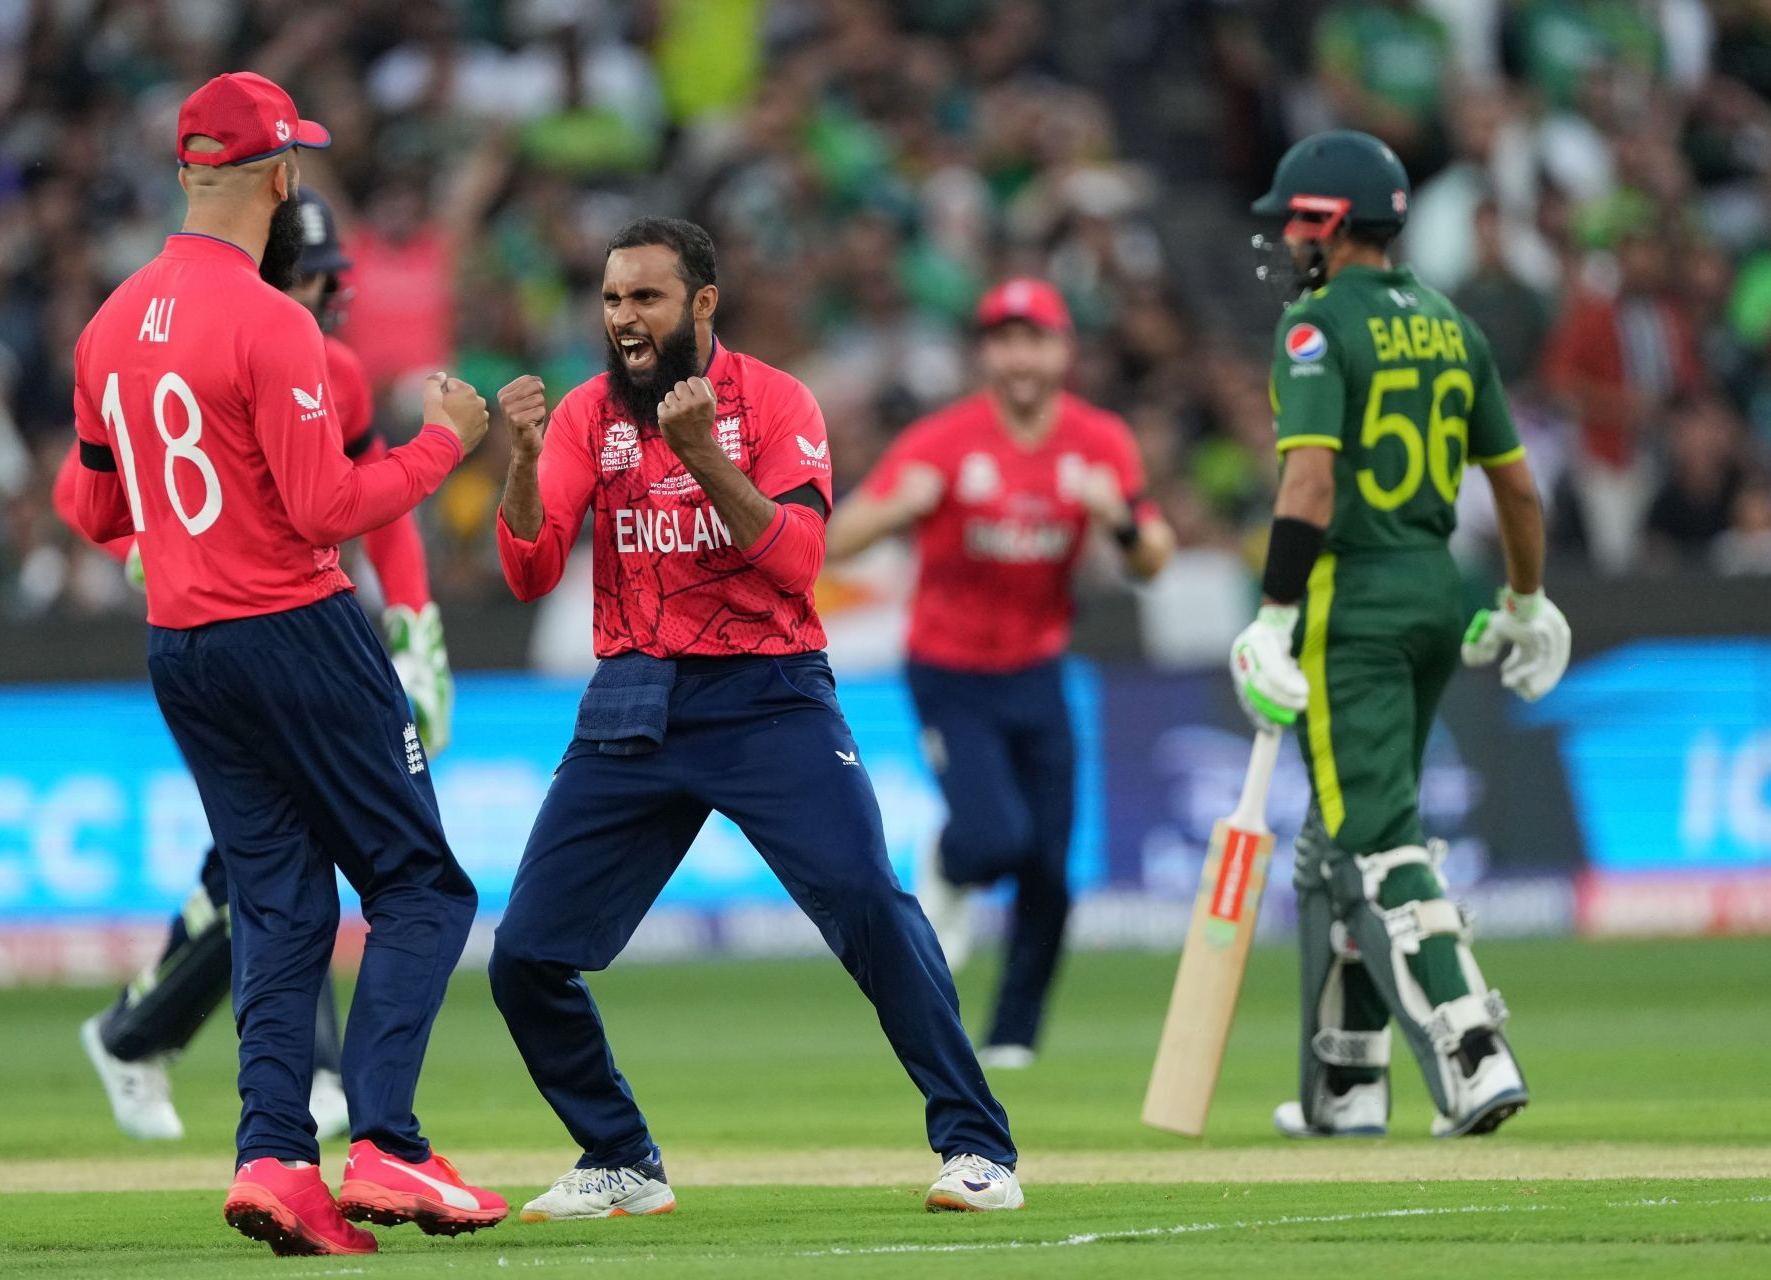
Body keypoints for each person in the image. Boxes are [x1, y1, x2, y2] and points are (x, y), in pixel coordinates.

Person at [489, 216, 1022, 1219]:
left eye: (644, 298)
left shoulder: (776, 402)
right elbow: (527, 568)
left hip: (767, 693)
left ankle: (976, 1144)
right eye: (610, 300)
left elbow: (798, 563)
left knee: (869, 901)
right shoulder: (586, 415)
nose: (623, 321)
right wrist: (519, 460)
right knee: (523, 955)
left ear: (701, 302)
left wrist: (700, 456)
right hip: (634, 694)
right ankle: (619, 1155)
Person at [71, 72, 503, 1255]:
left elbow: (90, 500)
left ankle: (272, 1156)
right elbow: (325, 506)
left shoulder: (109, 323)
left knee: (276, 902)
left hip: (185, 646)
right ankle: (389, 1146)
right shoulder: (275, 323)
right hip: (294, 628)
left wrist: (176, 533)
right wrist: (442, 447)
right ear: (283, 175)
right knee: (421, 885)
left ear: (185, 173)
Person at [1235, 129, 1571, 1140]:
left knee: (1376, 838)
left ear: (1333, 224)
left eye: (1296, 219)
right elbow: (1514, 481)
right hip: (1436, 586)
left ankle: (1473, 1049)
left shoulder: (1314, 327)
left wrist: (1273, 616)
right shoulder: (1451, 324)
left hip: (1353, 602)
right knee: (1333, 839)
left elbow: (1308, 480)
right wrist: (1524, 597)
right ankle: (1344, 1086)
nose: (1284, 237)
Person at [824, 278, 1175, 1069]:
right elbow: (841, 539)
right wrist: (904, 505)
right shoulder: (942, 442)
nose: (1022, 356)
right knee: (996, 838)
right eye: (1006, 340)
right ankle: (950, 857)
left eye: (1037, 339)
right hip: (950, 668)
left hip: (1040, 669)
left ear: (1063, 351)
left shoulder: (1099, 440)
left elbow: (1155, 558)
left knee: (1049, 868)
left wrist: (1114, 515)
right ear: (986, 354)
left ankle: (1013, 1035)